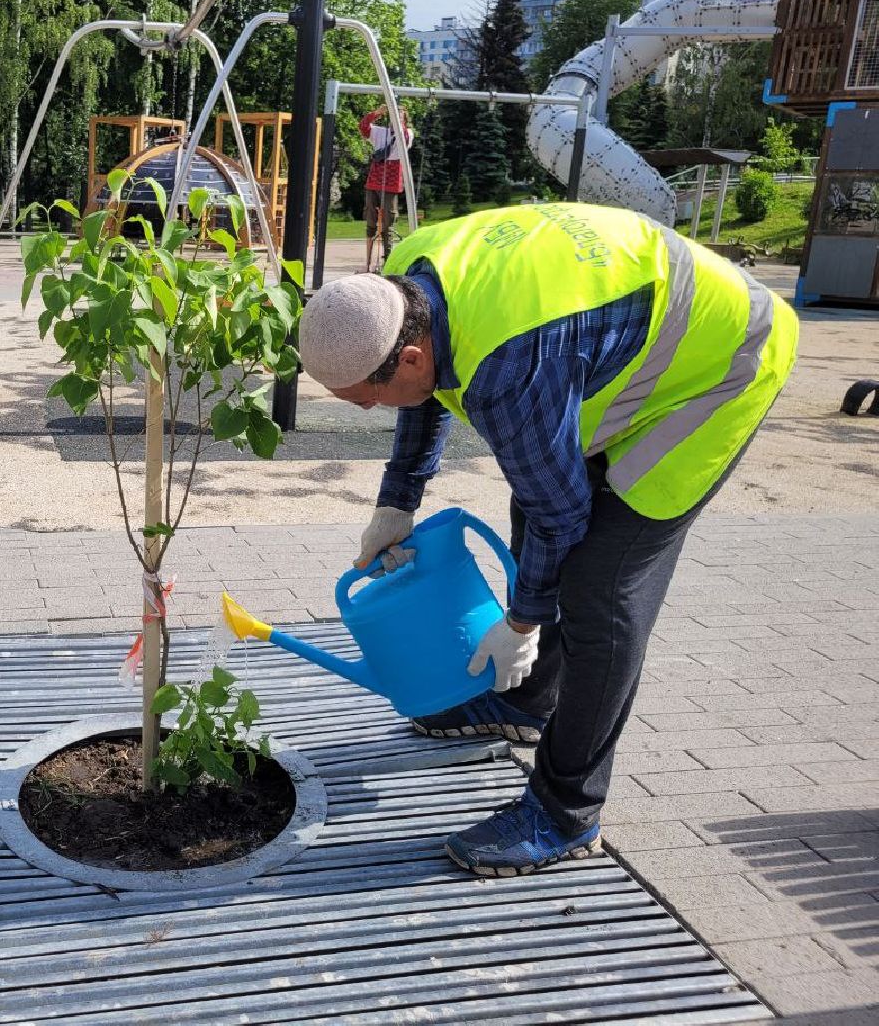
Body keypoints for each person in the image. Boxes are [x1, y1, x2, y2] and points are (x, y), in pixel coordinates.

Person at [296, 202, 797, 878]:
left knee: (601, 589)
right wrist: (397, 501)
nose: (367, 409)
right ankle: (529, 701)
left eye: (367, 398)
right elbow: (425, 396)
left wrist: (522, 622)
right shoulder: (404, 279)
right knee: (534, 516)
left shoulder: (509, 370)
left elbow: (563, 515)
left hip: (721, 367)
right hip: (615, 349)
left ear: (408, 353)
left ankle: (567, 811)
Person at [358, 105, 414, 274]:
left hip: (391, 182)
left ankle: (388, 264)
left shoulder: (407, 133)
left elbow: (404, 138)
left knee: (388, 225)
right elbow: (363, 127)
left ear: (404, 118)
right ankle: (367, 263)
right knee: (370, 221)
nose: (395, 117)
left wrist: (399, 121)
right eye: (393, 114)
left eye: (399, 115)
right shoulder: (380, 132)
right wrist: (376, 113)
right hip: (375, 179)